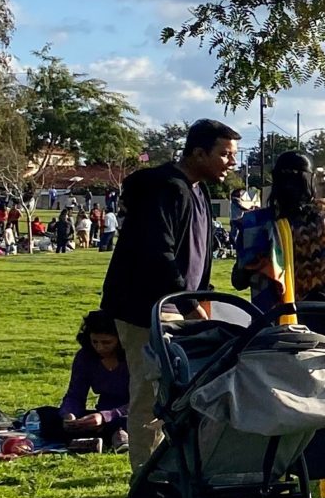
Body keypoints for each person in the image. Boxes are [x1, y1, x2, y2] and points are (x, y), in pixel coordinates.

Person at [235, 152, 325, 498]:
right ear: (312, 179)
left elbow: (240, 275)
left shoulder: (260, 221)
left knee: (280, 398)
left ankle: (276, 480)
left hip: (278, 318)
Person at [100, 121, 241, 475]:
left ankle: (177, 471)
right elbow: (156, 255)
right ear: (197, 153)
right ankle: (148, 481)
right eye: (224, 154)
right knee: (150, 396)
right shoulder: (166, 188)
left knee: (184, 395)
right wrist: (189, 306)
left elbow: (196, 257)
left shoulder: (198, 191)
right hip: (148, 309)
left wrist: (202, 301)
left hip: (182, 306)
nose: (231, 163)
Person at [49, 310, 131, 450]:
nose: (100, 347)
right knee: (46, 416)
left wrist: (106, 416)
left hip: (131, 411)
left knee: (132, 422)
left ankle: (114, 436)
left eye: (107, 342)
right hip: (102, 411)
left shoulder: (133, 357)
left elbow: (144, 400)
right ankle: (107, 438)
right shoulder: (85, 357)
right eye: (95, 341)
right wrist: (70, 415)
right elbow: (75, 394)